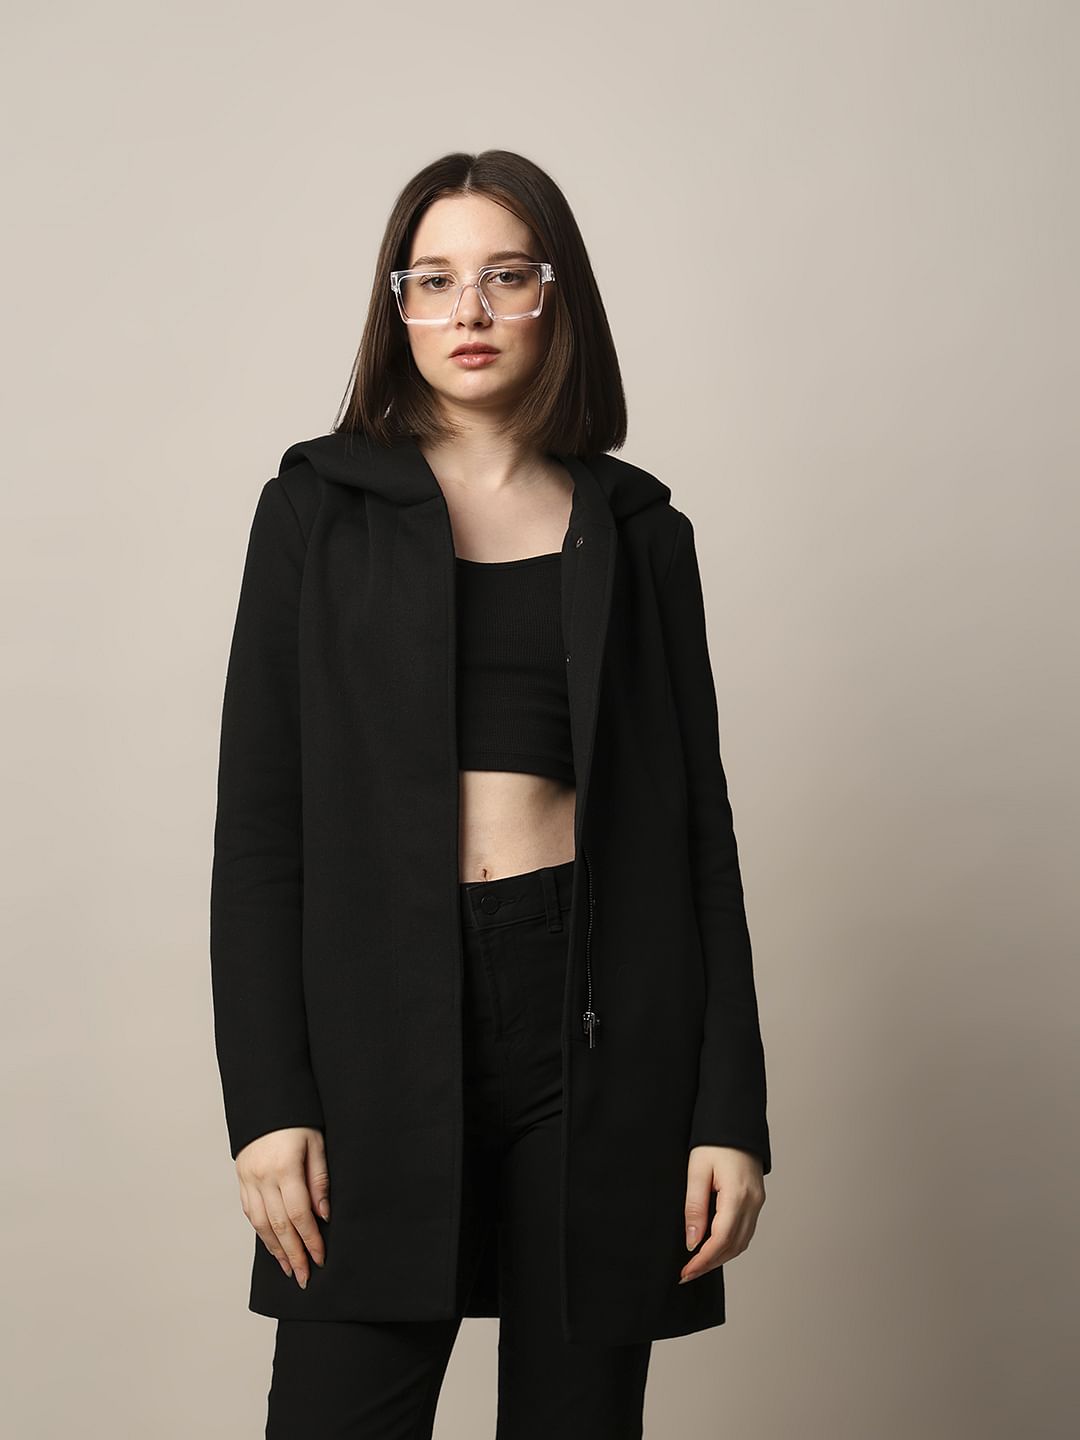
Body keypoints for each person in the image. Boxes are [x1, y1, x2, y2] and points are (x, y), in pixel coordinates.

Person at [209, 149, 771, 1439]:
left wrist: (730, 1113)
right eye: (434, 280)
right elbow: (260, 832)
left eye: (505, 276)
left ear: (555, 298)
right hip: (376, 1007)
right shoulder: (313, 513)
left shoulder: (640, 532)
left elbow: (700, 837)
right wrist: (269, 1103)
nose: (468, 309)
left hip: (595, 1004)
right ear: (397, 306)